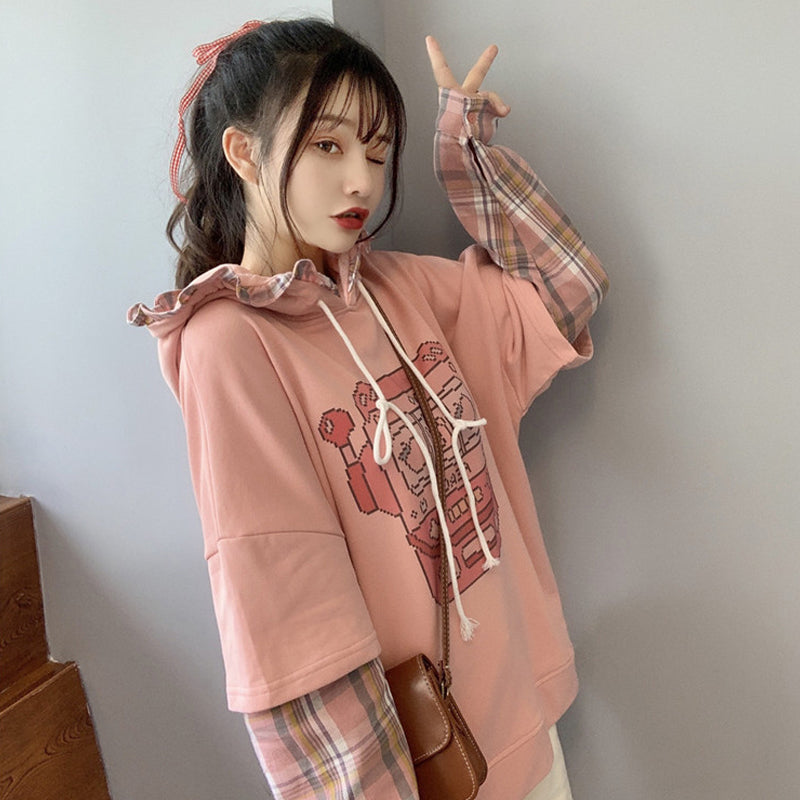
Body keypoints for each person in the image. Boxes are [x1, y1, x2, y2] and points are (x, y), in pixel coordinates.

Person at [129, 17, 608, 800]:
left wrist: (469, 159)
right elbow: (293, 620)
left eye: (378, 153)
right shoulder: (229, 344)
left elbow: (568, 290)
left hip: (523, 719)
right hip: (429, 769)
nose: (362, 181)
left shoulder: (399, 289)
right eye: (328, 145)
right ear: (244, 152)